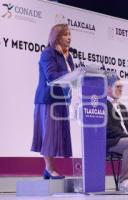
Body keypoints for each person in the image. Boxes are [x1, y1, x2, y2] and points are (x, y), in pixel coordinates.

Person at [31, 24, 74, 179]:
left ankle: (49, 169)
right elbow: (51, 76)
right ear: (56, 36)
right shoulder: (47, 53)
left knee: (56, 135)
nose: (69, 38)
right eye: (65, 35)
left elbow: (72, 78)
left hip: (61, 100)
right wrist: (70, 73)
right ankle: (49, 169)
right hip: (48, 99)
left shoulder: (68, 56)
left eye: (69, 35)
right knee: (49, 135)